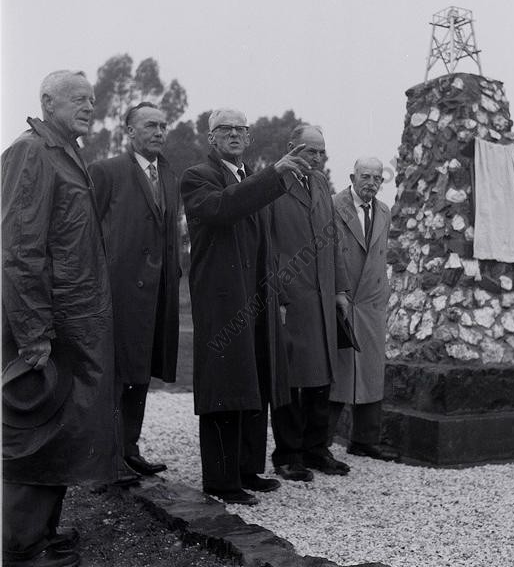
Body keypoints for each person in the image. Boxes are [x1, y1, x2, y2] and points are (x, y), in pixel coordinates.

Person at [2, 71, 117, 567]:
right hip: (49, 326)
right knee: (35, 431)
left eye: (92, 100)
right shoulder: (31, 152)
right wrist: (32, 334)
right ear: (47, 102)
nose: (90, 107)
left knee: (64, 431)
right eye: (78, 99)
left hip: (76, 323)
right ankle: (20, 548)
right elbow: (19, 250)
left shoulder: (68, 152)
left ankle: (41, 534)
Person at [181, 108, 309, 506]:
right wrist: (273, 175)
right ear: (212, 138)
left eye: (241, 129)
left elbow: (265, 242)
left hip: (256, 297)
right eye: (226, 129)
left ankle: (246, 469)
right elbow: (223, 208)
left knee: (255, 380)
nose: (235, 134)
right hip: (222, 300)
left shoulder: (251, 179)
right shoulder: (198, 177)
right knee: (225, 384)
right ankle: (221, 480)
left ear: (249, 138)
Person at [88, 102, 180, 477]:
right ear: (130, 131)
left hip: (158, 294)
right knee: (114, 376)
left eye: (162, 126)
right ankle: (106, 459)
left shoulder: (169, 175)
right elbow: (87, 232)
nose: (158, 132)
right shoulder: (106, 171)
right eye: (150, 126)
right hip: (118, 293)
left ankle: (130, 448)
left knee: (140, 373)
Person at [269, 124, 351, 481]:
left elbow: (333, 241)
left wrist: (341, 289)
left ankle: (317, 448)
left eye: (321, 152)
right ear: (291, 149)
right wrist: (278, 296)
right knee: (290, 379)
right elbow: (267, 245)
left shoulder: (320, 184)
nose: (316, 159)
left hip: (323, 297)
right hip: (293, 298)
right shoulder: (272, 185)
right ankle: (288, 454)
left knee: (321, 378)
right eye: (309, 151)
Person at [327, 158, 399, 461]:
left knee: (371, 371)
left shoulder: (384, 211)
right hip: (340, 299)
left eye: (377, 178)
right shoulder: (333, 205)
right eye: (365, 176)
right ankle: (320, 443)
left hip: (371, 303)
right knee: (336, 374)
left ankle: (365, 440)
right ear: (352, 176)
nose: (371, 182)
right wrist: (335, 291)